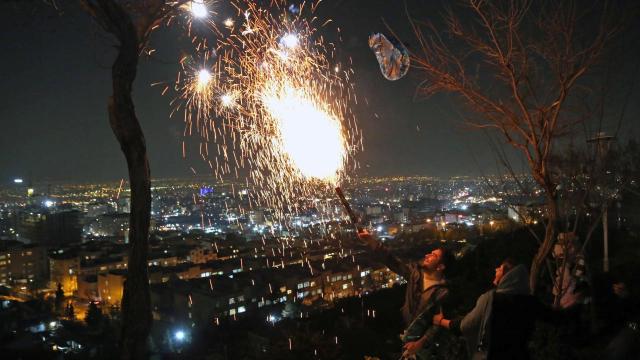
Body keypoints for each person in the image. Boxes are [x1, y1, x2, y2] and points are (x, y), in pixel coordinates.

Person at [356, 229, 455, 359]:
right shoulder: (415, 274)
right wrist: (371, 241)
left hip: (425, 350)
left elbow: (438, 324)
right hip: (405, 337)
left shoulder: (443, 292)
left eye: (433, 256)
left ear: (440, 267)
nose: (427, 256)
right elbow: (392, 261)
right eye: (430, 253)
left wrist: (420, 343)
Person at [433, 259, 551, 360]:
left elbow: (466, 325)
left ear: (507, 276)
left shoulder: (491, 299)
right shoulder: (530, 302)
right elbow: (554, 317)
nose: (496, 270)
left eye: (499, 268)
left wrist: (441, 321)